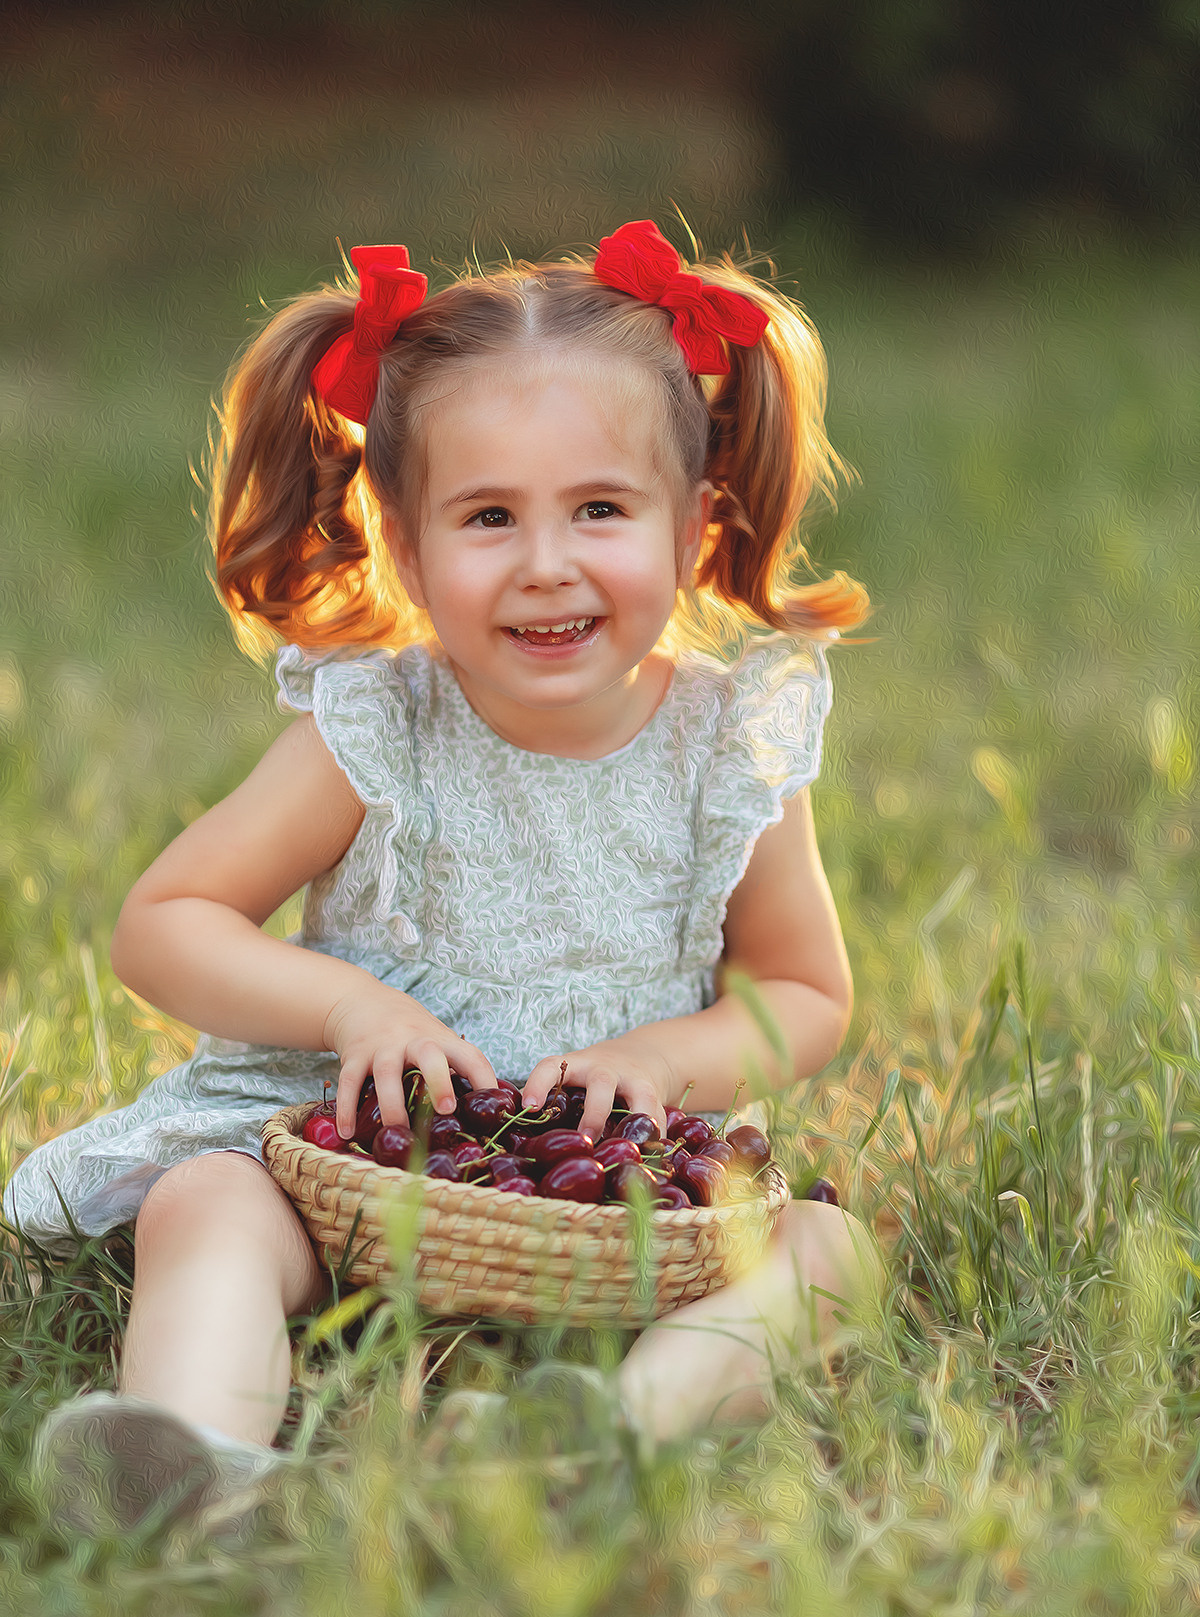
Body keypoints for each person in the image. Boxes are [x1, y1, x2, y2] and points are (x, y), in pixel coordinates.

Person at [7, 220, 878, 1533]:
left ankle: (603, 1442)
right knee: (208, 1205)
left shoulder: (732, 743)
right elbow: (166, 924)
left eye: (599, 509)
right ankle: (194, 1467)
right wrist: (348, 1012)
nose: (545, 562)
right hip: (343, 1178)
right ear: (406, 549)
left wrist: (664, 1062)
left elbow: (801, 990)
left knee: (828, 1253)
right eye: (488, 518)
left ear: (696, 529)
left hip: (601, 1193)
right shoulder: (377, 729)